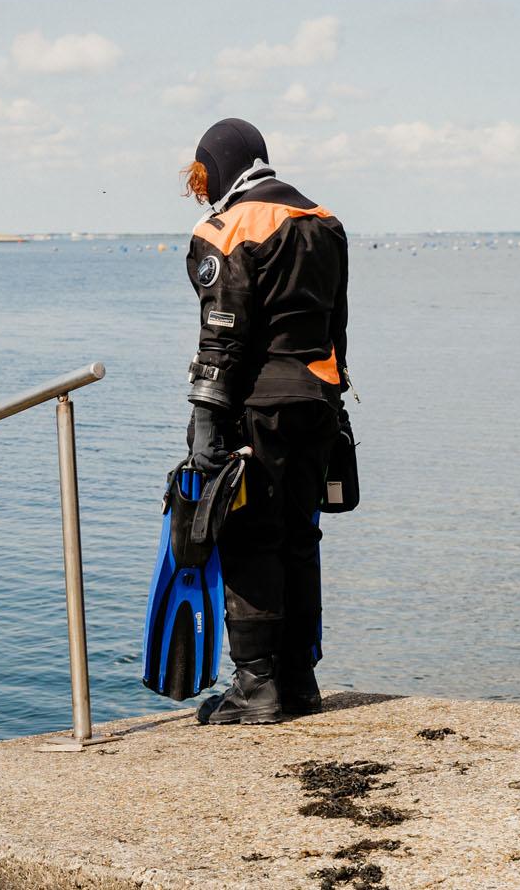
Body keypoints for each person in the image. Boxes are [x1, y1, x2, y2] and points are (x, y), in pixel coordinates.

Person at [181, 117, 350, 725]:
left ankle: (257, 687)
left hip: (258, 409)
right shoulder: (323, 220)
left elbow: (222, 338)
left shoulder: (227, 230)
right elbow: (337, 326)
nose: (199, 189)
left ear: (221, 166)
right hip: (318, 402)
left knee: (248, 538)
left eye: (201, 174)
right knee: (300, 538)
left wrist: (205, 424)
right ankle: (300, 682)